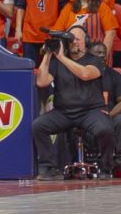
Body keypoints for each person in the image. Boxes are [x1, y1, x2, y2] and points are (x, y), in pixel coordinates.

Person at [32, 26, 115, 179]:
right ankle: (48, 167)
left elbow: (84, 74)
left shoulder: (94, 60)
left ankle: (106, 167)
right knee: (39, 125)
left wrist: (62, 57)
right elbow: (42, 82)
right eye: (72, 39)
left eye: (78, 39)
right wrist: (48, 54)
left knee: (105, 129)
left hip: (90, 111)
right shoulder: (57, 62)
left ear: (86, 42)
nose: (74, 42)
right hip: (63, 112)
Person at [87, 41, 121, 178]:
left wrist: (109, 115)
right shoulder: (81, 73)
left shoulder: (114, 75)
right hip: (86, 117)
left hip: (109, 116)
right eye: (97, 52)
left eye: (103, 53)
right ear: (89, 54)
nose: (101, 55)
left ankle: (120, 164)